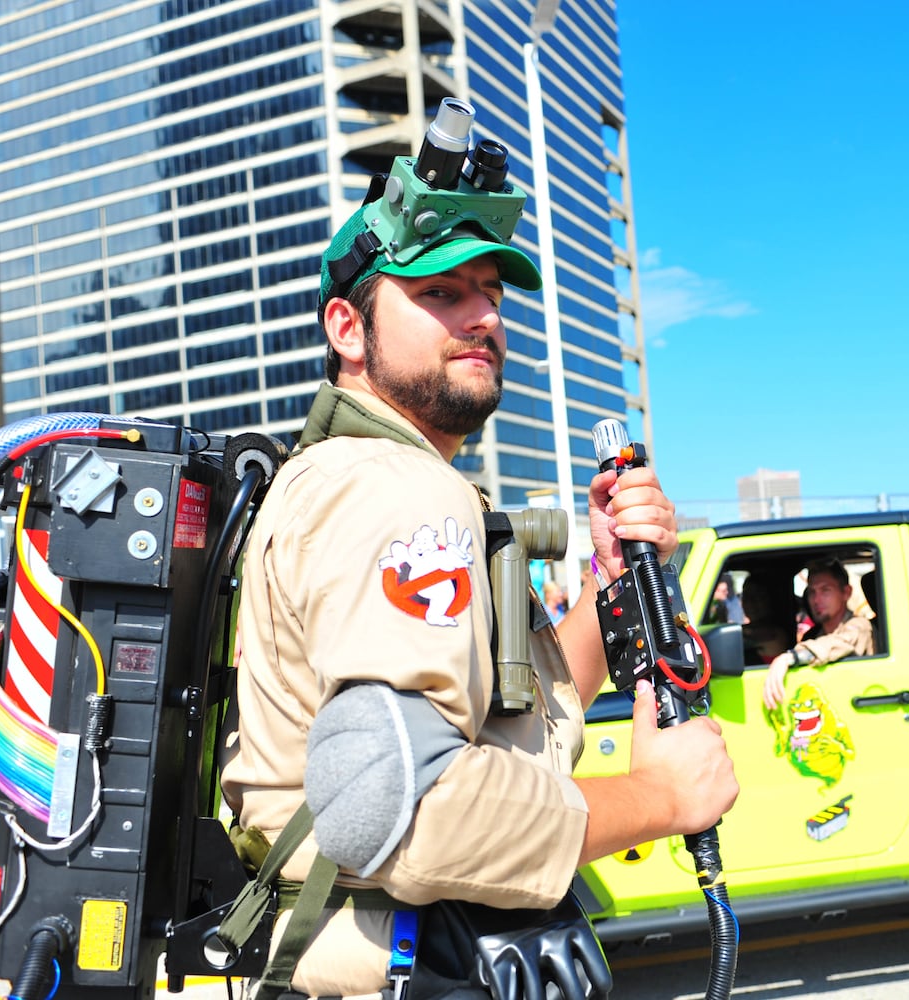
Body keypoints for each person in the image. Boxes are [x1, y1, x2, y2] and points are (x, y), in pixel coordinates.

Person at [220, 127, 738, 998]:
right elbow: (413, 811)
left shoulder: (387, 483)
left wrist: (611, 580)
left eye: (490, 293)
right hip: (397, 964)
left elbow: (513, 718)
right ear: (348, 328)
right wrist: (659, 798)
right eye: (441, 291)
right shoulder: (395, 493)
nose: (484, 317)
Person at [762, 557, 875, 709]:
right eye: (812, 592)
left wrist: (790, 658)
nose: (816, 600)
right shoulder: (813, 635)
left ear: (846, 593)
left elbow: (840, 642)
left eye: (825, 590)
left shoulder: (860, 627)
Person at [739, 572, 797, 664]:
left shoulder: (775, 635)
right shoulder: (748, 630)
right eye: (746, 596)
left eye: (757, 596)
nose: (750, 602)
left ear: (770, 599)